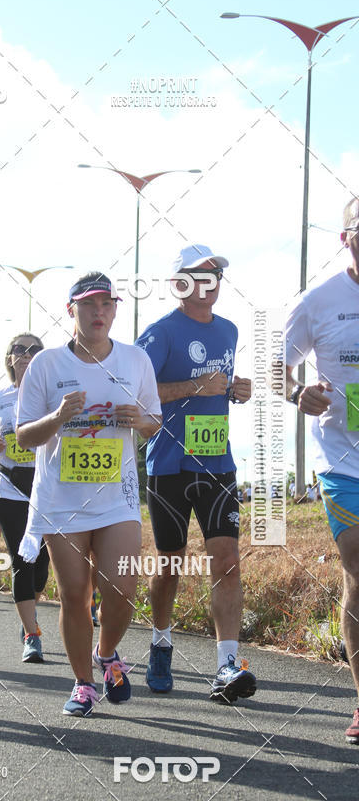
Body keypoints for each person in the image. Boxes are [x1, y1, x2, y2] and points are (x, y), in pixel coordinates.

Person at [16, 273, 162, 715]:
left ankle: (107, 652)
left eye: (107, 304)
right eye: (89, 304)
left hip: (116, 494)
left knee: (121, 586)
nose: (100, 312)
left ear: (115, 309)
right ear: (71, 310)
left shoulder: (136, 360)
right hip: (62, 499)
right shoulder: (46, 365)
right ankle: (82, 683)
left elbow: (155, 421)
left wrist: (139, 420)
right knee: (74, 592)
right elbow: (23, 437)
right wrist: (59, 416)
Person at [137, 244, 256, 705]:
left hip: (217, 463)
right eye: (199, 275)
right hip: (168, 465)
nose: (210, 283)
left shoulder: (229, 330)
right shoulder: (161, 333)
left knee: (226, 559)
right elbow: (139, 392)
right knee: (170, 564)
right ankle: (161, 643)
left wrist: (236, 390)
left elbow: (219, 387)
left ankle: (228, 663)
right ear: (179, 283)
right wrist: (193, 387)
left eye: (215, 275)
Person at [285, 197, 359, 744]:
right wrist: (296, 390)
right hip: (344, 462)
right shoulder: (319, 301)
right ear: (344, 236)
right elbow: (275, 361)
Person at [0, 334, 49, 663]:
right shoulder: (0, 399)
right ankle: (32, 635)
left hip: (46, 486)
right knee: (23, 558)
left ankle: (28, 617)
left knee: (43, 568)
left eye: (33, 349)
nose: (25, 354)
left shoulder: (52, 395)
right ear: (9, 358)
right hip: (8, 484)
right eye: (19, 350)